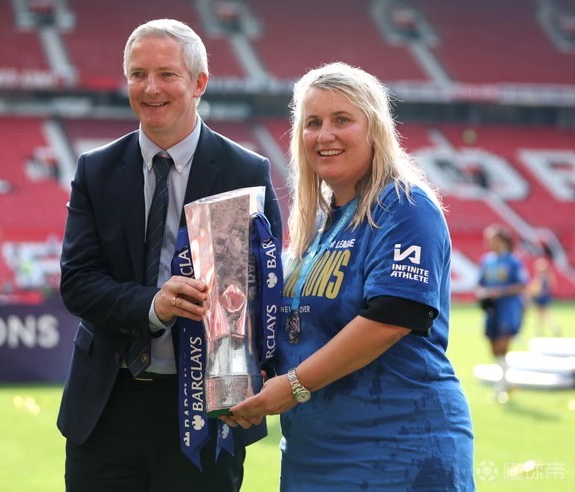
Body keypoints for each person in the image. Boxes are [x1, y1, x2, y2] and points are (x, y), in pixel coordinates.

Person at [223, 62, 475, 491]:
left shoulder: (404, 205)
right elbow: (300, 335)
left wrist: (293, 386)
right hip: (312, 453)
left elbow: (393, 316)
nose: (325, 135)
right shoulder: (318, 226)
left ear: (374, 129)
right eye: (313, 123)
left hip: (400, 447)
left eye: (342, 120)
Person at [57, 18, 282, 492]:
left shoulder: (245, 171)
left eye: (166, 74)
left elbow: (268, 292)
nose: (150, 88)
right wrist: (153, 306)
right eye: (138, 74)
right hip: (106, 409)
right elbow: (77, 282)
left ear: (199, 82)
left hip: (210, 411)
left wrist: (262, 369)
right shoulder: (96, 170)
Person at [476, 224, 528, 402]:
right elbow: (480, 283)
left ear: (501, 240)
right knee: (493, 347)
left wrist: (500, 292)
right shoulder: (486, 260)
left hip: (508, 310)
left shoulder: (513, 261)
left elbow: (521, 285)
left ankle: (501, 386)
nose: (488, 243)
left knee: (503, 345)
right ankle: (507, 381)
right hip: (491, 310)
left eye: (491, 239)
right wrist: (483, 293)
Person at [527, 256, 561, 336]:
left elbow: (539, 289)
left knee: (543, 316)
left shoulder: (543, 278)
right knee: (542, 316)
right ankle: (542, 330)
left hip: (542, 299)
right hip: (542, 298)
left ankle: (552, 328)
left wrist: (534, 292)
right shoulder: (545, 277)